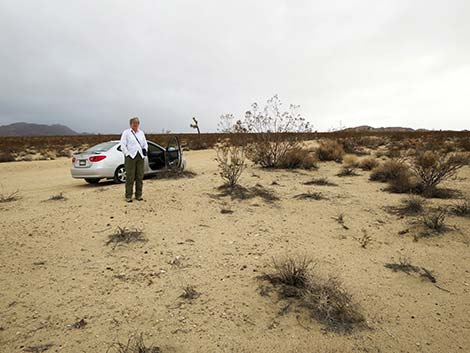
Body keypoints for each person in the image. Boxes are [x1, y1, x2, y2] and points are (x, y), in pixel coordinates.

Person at [119, 117, 148, 202]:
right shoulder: (126, 133)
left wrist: (145, 150)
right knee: (130, 177)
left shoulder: (141, 133)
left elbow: (145, 144)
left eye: (137, 123)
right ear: (130, 124)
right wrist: (127, 154)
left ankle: (138, 195)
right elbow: (123, 145)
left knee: (139, 176)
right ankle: (128, 196)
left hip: (140, 156)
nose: (135, 125)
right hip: (130, 157)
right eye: (134, 123)